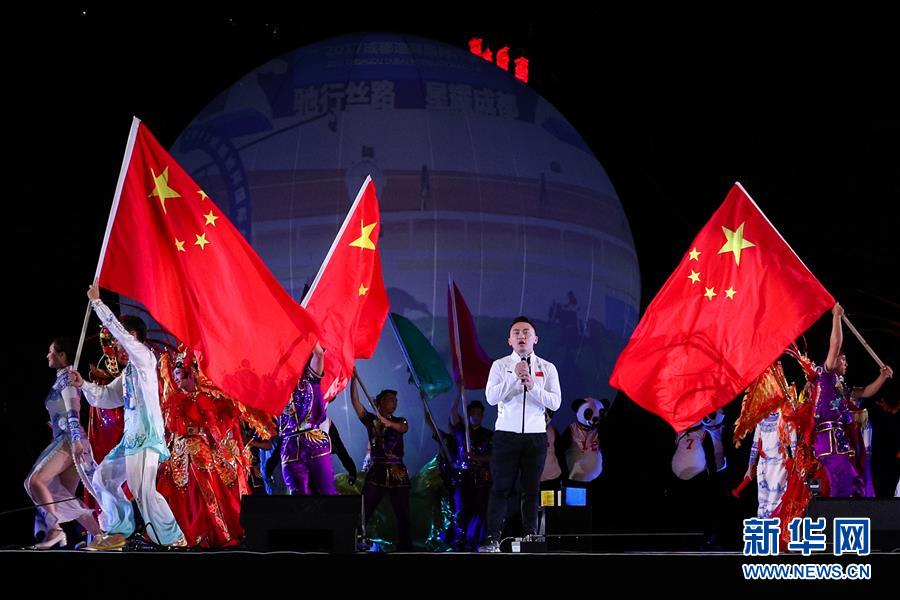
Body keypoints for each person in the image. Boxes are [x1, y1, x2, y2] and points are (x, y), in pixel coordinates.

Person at [69, 282, 185, 550]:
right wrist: (82, 384)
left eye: (118, 341)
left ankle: (174, 539)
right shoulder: (129, 372)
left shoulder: (145, 358)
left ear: (131, 337)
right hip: (130, 441)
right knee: (103, 478)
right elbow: (107, 396)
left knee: (143, 491)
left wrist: (98, 304)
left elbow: (124, 339)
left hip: (146, 437)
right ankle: (118, 531)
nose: (115, 347)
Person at [479, 316, 561, 552]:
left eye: (526, 332)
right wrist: (515, 378)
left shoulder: (547, 368)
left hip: (535, 437)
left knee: (531, 489)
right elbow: (491, 398)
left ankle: (530, 536)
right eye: (516, 333)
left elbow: (555, 402)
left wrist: (533, 387)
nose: (521, 336)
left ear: (535, 339)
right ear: (509, 340)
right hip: (506, 435)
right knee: (500, 488)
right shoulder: (500, 365)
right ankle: (493, 538)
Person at [156, 349, 248, 546]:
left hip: (200, 452)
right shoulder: (172, 400)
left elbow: (214, 429)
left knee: (204, 494)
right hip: (178, 454)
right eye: (174, 375)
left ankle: (209, 534)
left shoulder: (203, 398)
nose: (176, 379)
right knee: (182, 495)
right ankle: (184, 536)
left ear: (190, 373)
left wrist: (222, 450)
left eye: (179, 375)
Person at [24, 337, 102, 549]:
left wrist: (75, 440)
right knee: (62, 496)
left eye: (51, 351)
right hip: (65, 439)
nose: (47, 355)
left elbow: (73, 411)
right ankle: (98, 536)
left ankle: (55, 530)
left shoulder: (68, 378)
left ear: (62, 355)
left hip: (70, 440)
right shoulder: (61, 379)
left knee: (34, 481)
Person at [813, 303, 892, 497]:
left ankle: (845, 512)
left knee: (855, 483)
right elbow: (835, 345)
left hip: (840, 442)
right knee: (840, 487)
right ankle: (834, 515)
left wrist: (882, 377)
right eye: (843, 359)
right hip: (828, 440)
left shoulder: (842, 388)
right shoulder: (826, 376)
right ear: (833, 360)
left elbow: (866, 392)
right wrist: (836, 316)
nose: (846, 363)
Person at [350, 367, 412, 551]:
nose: (394, 403)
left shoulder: (400, 420)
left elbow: (403, 428)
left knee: (403, 511)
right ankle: (357, 539)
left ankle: (405, 546)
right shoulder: (371, 420)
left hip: (397, 472)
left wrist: (388, 423)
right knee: (364, 508)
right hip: (377, 471)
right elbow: (356, 403)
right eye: (390, 400)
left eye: (395, 400)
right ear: (381, 402)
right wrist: (354, 380)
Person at [277, 342, 336, 495]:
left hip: (313, 441)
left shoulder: (309, 378)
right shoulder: (277, 386)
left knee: (327, 492)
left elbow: (319, 354)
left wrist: (308, 334)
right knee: (299, 496)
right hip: (289, 446)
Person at [449, 389, 493, 551]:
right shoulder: (462, 430)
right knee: (462, 510)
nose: (476, 416)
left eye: (479, 414)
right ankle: (460, 541)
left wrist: (476, 458)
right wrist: (459, 392)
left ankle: (477, 541)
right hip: (462, 478)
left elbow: (493, 457)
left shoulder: (488, 434)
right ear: (468, 415)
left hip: (481, 480)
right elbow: (453, 412)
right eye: (473, 413)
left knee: (480, 512)